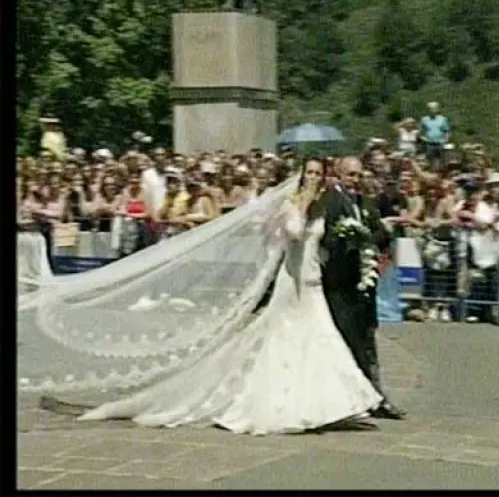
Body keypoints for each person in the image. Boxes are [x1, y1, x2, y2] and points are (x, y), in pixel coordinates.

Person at [42, 157, 383, 434]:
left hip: (312, 282)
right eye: (309, 173)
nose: (313, 178)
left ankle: (329, 404)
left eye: (318, 174)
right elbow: (292, 234)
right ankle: (282, 403)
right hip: (290, 284)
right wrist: (302, 203)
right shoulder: (290, 205)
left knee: (320, 340)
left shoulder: (324, 208)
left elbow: (321, 242)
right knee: (286, 339)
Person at [320, 156, 406, 420]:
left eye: (358, 175)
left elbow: (380, 232)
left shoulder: (366, 203)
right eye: (350, 175)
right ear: (339, 175)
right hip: (340, 283)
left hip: (364, 285)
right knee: (343, 340)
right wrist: (348, 239)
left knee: (367, 340)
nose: (355, 180)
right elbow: (326, 237)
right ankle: (347, 400)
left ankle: (376, 397)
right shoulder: (330, 201)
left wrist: (369, 237)